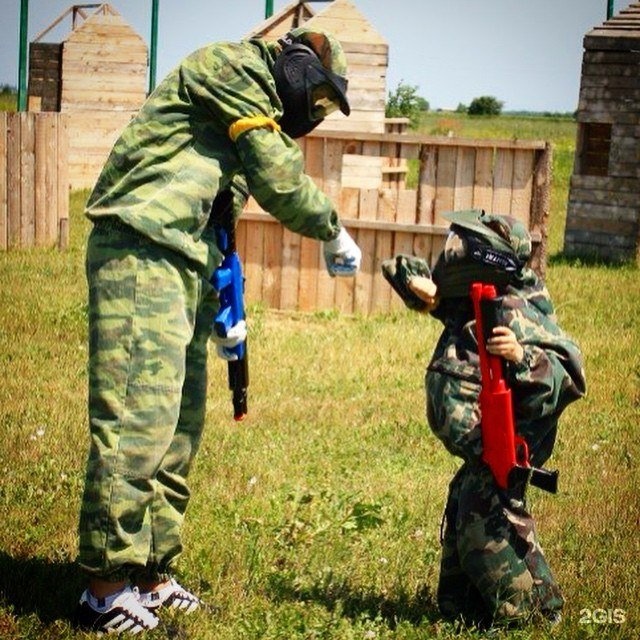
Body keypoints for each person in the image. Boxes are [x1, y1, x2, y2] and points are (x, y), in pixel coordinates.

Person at [74, 26, 362, 635]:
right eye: (315, 100)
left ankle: (149, 571)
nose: (309, 116)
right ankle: (103, 588)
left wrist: (227, 303)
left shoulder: (244, 104)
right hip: (141, 247)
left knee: (178, 427)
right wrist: (332, 228)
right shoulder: (233, 68)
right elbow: (276, 174)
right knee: (135, 420)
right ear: (298, 67)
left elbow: (223, 207)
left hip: (185, 261)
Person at [382, 210, 586, 628]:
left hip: (502, 445)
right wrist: (420, 287)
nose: (453, 255)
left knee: (485, 528)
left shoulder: (519, 308)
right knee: (473, 507)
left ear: (490, 259)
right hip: (479, 450)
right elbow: (399, 269)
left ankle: (524, 616)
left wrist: (521, 355)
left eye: (464, 248)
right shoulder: (476, 296)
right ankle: (464, 609)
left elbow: (571, 375)